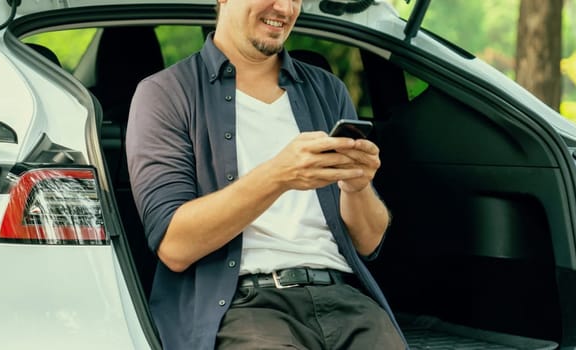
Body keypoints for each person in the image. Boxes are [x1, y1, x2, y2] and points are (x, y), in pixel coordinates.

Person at [125, 0, 406, 348]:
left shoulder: (327, 89)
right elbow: (175, 247)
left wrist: (357, 187)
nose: (285, 8)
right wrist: (278, 175)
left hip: (346, 300)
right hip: (244, 308)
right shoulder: (166, 94)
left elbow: (369, 242)